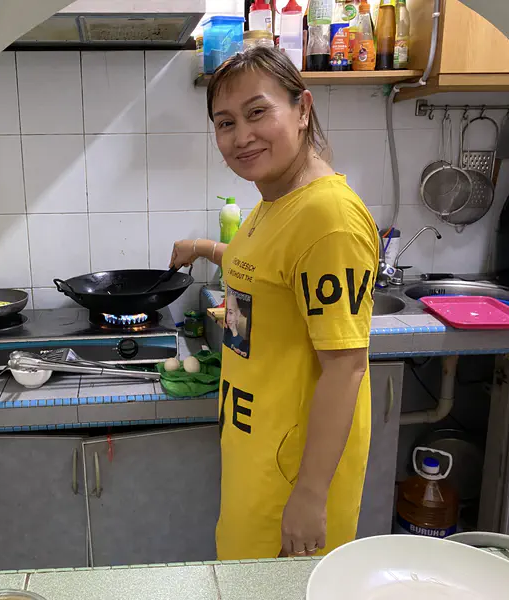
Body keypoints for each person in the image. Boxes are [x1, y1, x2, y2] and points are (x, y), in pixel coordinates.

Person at [169, 47, 378, 560]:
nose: (241, 136)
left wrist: (309, 497)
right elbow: (265, 268)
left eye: (257, 112)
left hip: (292, 476)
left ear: (303, 109)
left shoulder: (328, 218)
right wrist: (203, 247)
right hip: (256, 456)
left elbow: (346, 368)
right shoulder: (275, 201)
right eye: (225, 122)